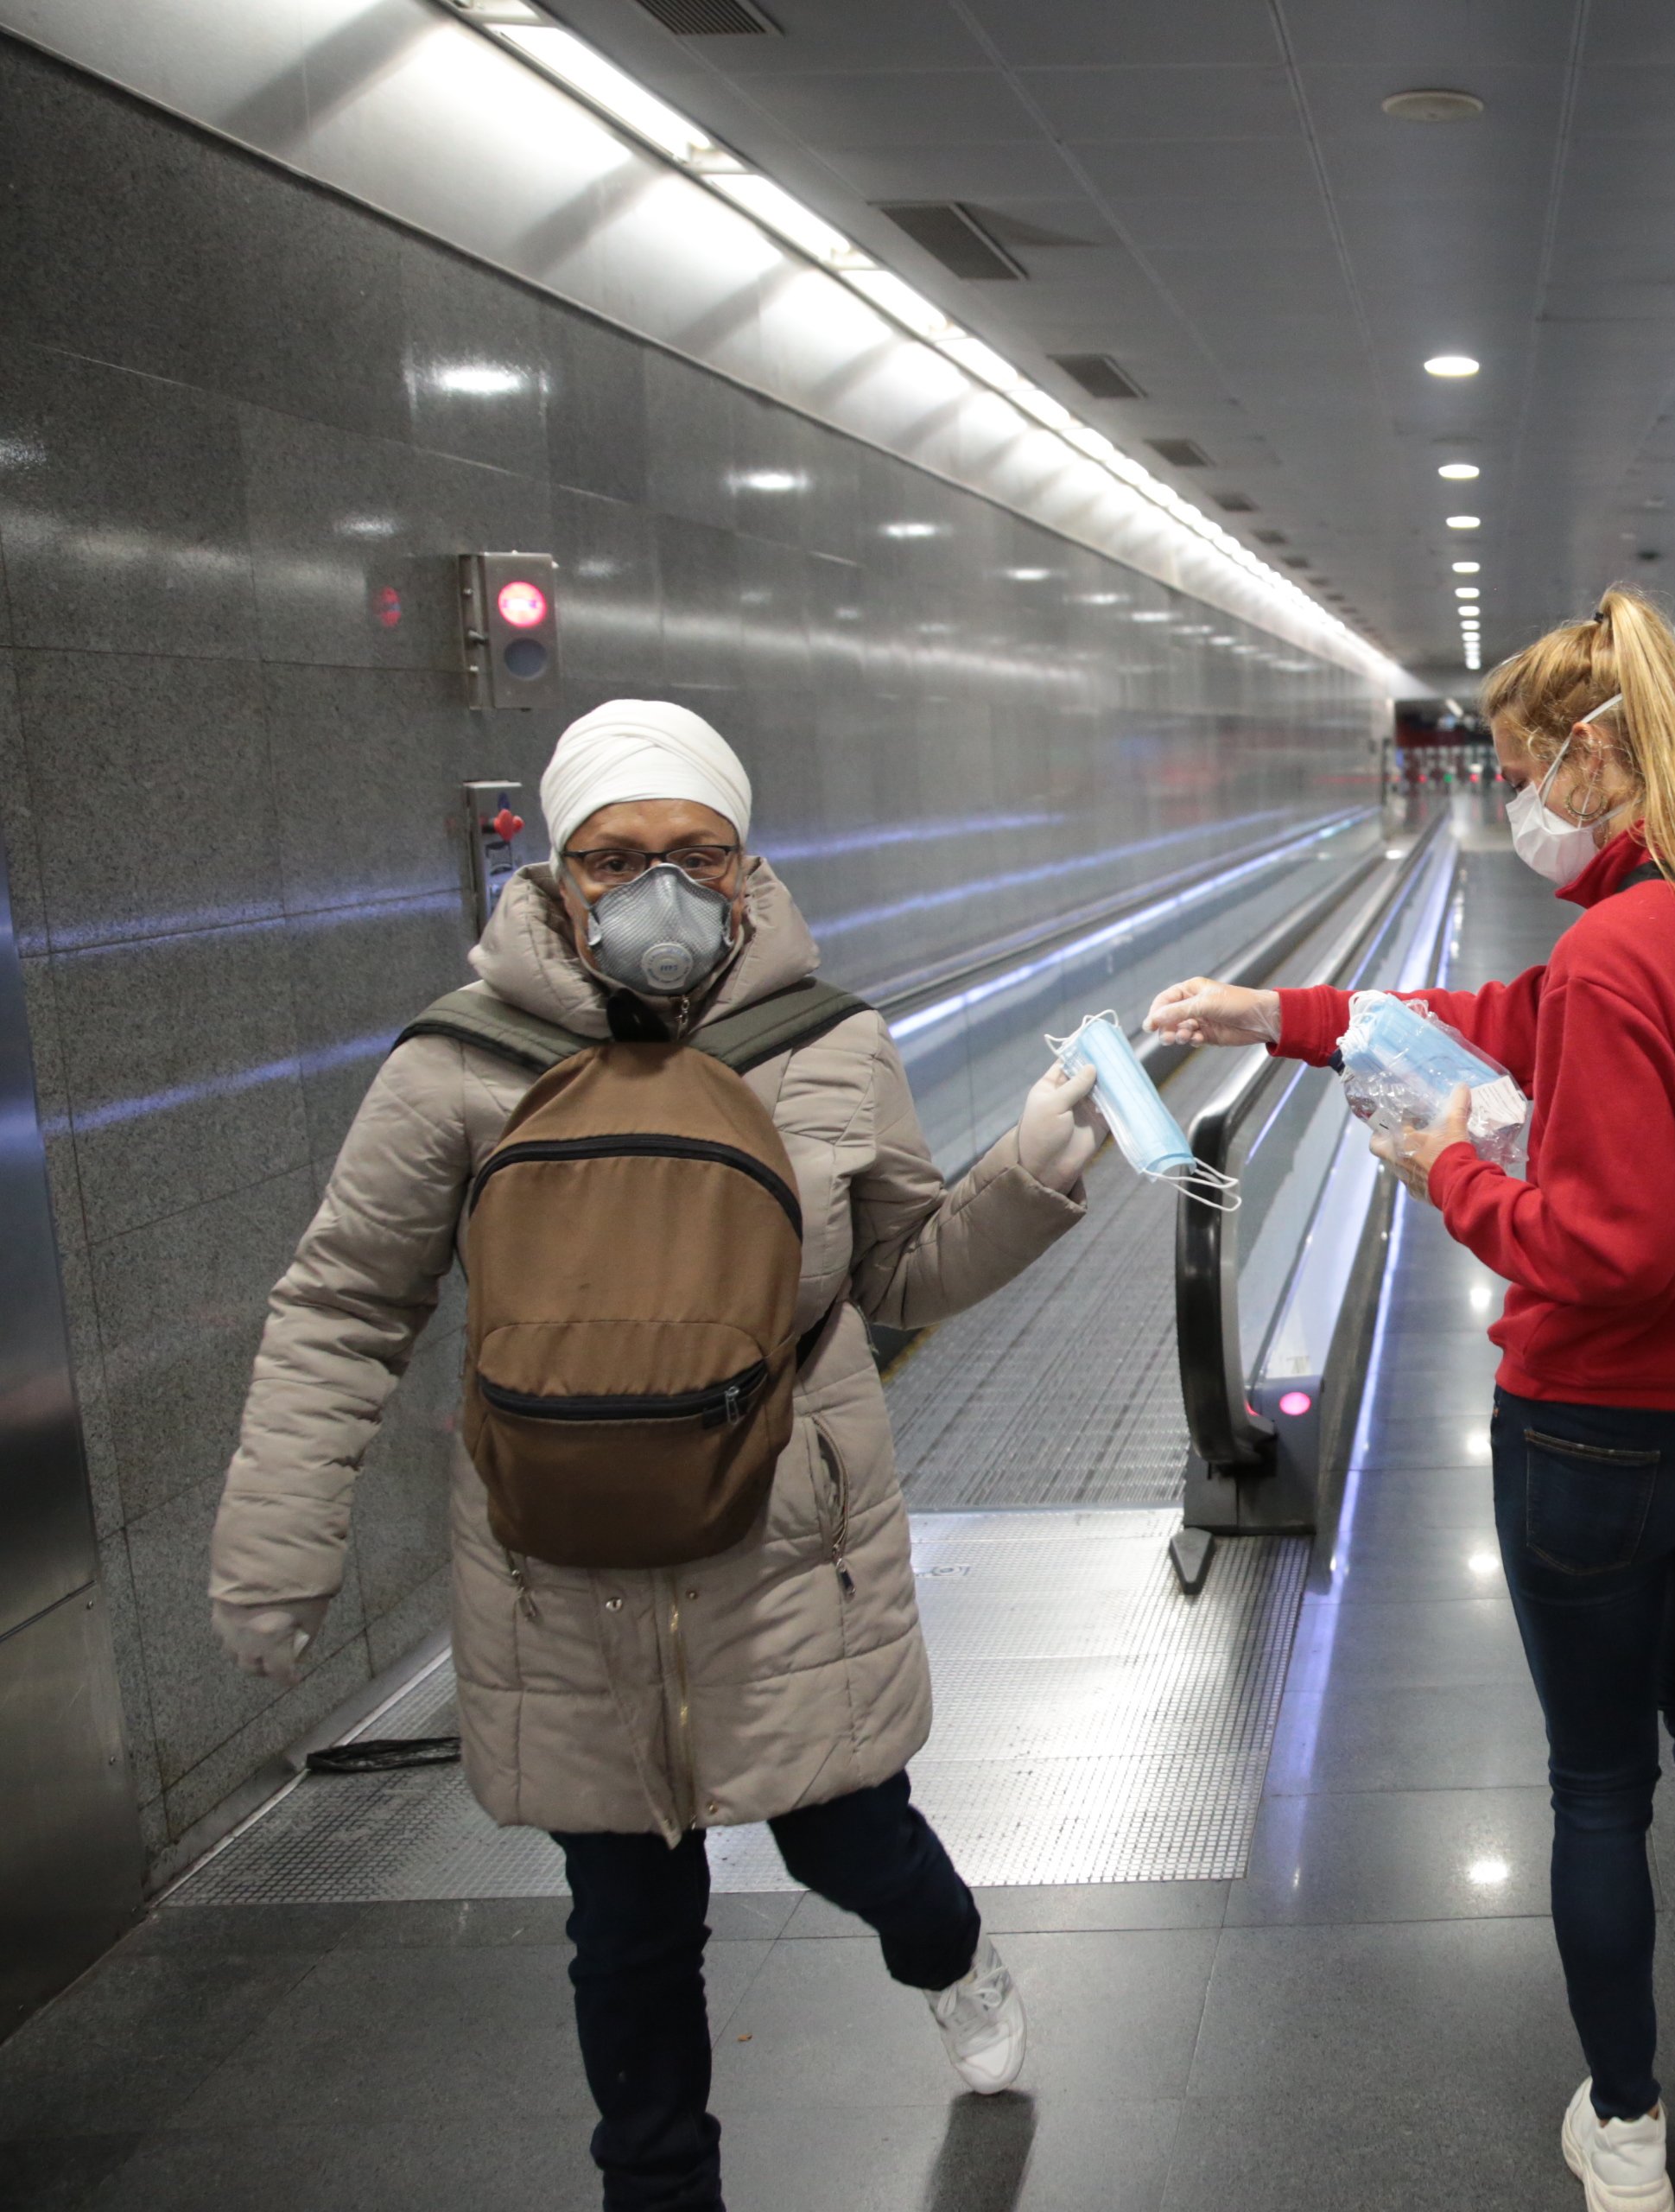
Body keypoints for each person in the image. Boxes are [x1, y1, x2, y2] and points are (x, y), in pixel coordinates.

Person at [207, 700, 1108, 2212]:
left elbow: (897, 1278)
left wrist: (1023, 1180)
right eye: (614, 858)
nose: (658, 889)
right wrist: (274, 1548)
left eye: (697, 852)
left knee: (855, 1849)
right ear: (555, 877)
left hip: (786, 1560)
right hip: (564, 1578)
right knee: (625, 1928)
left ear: (750, 869)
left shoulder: (828, 1046)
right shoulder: (457, 1067)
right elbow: (346, 1303)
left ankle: (948, 1950)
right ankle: (660, 2188)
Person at [1149, 588, 1675, 2212]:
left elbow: (1609, 1251)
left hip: (1602, 1437)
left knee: (1599, 1782)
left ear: (1592, 756)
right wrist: (1284, 1017)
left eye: (1521, 767)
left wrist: (1448, 1170)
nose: (1510, 799)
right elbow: (1506, 1021)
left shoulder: (1616, 948)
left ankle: (1622, 2125)